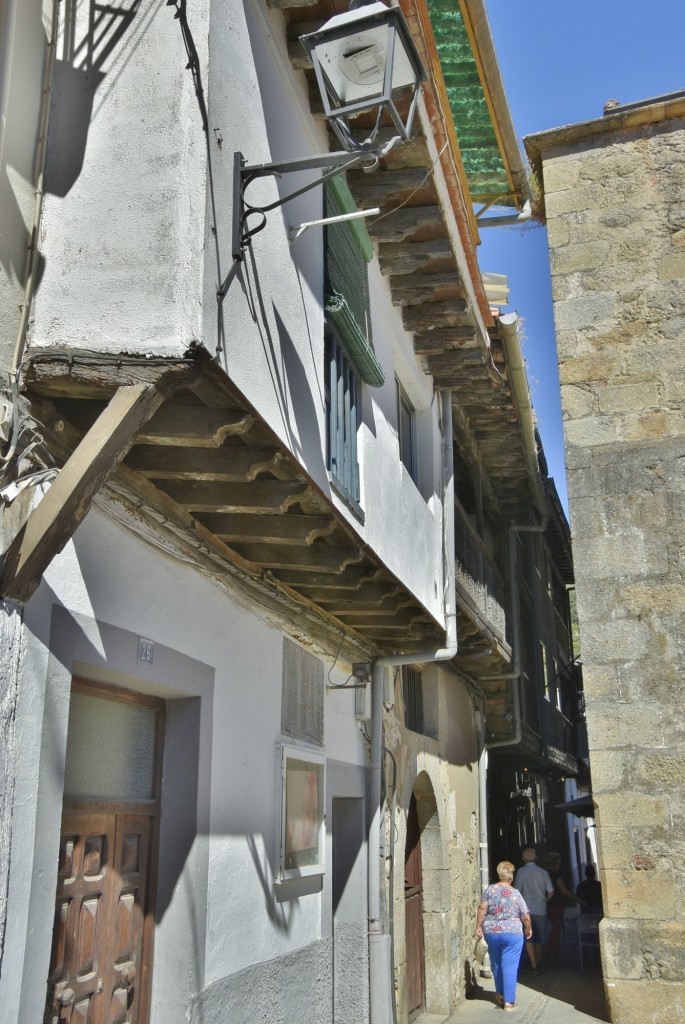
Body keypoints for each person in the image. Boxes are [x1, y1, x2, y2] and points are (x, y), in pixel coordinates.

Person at [476, 861, 532, 1011]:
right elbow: (525, 915)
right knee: (510, 965)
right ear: (511, 877)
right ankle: (509, 1001)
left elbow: (482, 908)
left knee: (496, 963)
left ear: (499, 875)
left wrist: (478, 926)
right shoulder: (515, 893)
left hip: (492, 931)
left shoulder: (489, 890)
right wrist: (528, 928)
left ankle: (500, 995)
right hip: (512, 932)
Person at [514, 847, 554, 972]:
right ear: (536, 858)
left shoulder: (521, 872)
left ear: (523, 859)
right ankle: (538, 960)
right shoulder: (543, 872)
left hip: (526, 909)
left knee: (529, 936)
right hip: (541, 908)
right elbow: (551, 892)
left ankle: (533, 965)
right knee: (540, 937)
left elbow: (517, 891)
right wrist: (544, 900)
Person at [544, 852, 586, 954]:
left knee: (554, 928)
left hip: (547, 905)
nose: (560, 864)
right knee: (557, 929)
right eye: (558, 863)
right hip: (556, 905)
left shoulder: (544, 874)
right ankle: (553, 951)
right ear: (554, 863)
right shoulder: (556, 875)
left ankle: (551, 950)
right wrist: (580, 901)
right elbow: (565, 892)